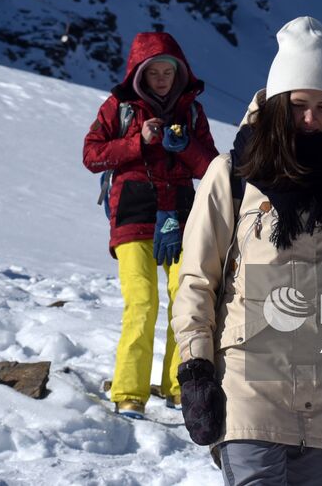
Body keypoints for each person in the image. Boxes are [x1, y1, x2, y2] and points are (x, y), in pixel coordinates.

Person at [172, 16, 322, 485]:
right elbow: (197, 278)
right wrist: (196, 366)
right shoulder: (233, 173)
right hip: (248, 384)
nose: (311, 118)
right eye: (300, 104)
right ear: (278, 100)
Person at [83, 31, 218, 419]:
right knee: (142, 302)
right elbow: (91, 155)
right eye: (154, 72)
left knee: (187, 301)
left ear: (179, 73)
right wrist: (137, 142)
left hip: (181, 216)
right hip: (131, 216)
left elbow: (211, 168)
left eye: (168, 72)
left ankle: (179, 387)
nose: (161, 79)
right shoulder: (118, 107)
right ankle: (129, 392)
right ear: (138, 73)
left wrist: (186, 145)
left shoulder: (191, 112)